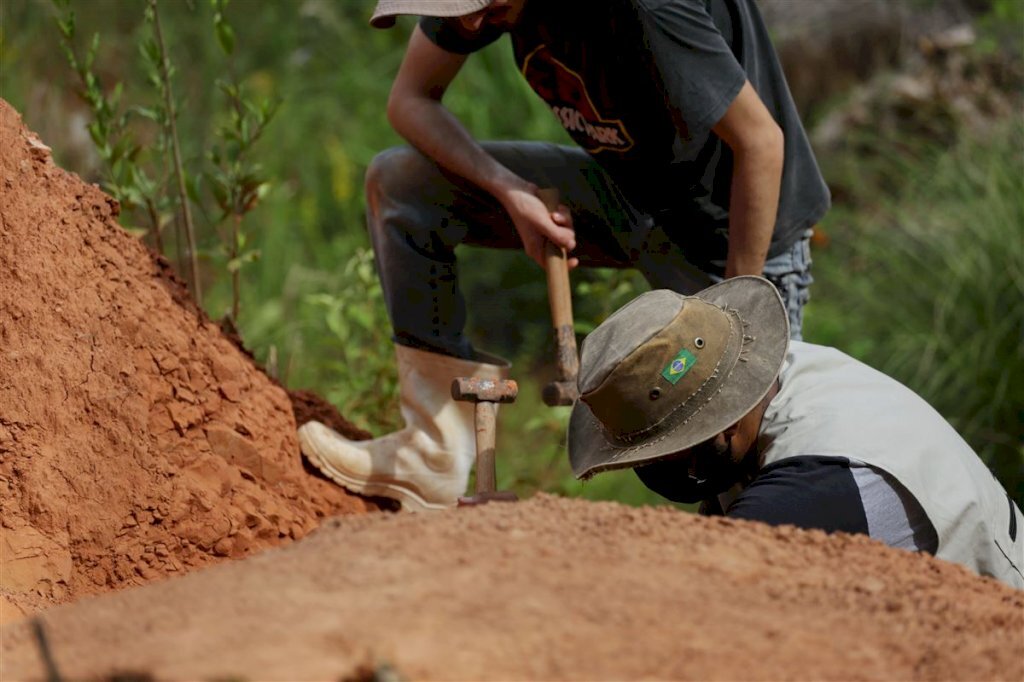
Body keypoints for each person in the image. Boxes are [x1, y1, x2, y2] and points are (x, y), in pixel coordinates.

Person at [299, 0, 830, 510]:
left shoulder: (648, 6)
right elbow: (409, 99)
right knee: (403, 184)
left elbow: (761, 143)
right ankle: (430, 455)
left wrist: (733, 318)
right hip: (626, 197)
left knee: (738, 476)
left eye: (479, 4)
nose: (471, 22)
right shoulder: (482, 8)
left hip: (731, 230)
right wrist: (510, 190)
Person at [565, 276, 1023, 588]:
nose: (655, 469)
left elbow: (679, 599)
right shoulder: (773, 371)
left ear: (723, 424)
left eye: (667, 451)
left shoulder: (812, 483)